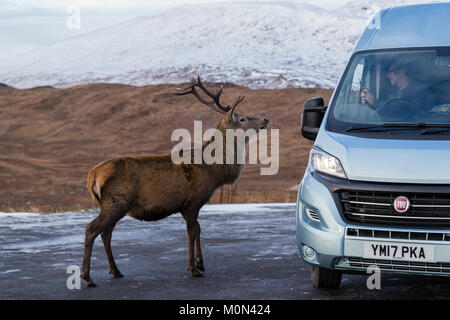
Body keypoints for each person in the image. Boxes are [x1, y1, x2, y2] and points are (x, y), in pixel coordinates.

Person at [360, 61, 431, 121]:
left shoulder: (417, 92)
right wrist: (369, 106)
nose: (388, 75)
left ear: (403, 71)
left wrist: (374, 102)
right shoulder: (396, 93)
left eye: (391, 72)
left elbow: (399, 112)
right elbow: (385, 111)